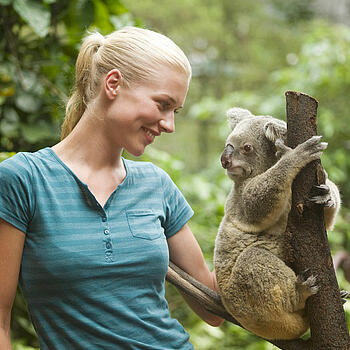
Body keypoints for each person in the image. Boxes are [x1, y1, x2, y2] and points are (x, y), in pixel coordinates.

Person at [0, 26, 223, 350]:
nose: (169, 125)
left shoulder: (156, 184)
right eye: (163, 104)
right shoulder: (23, 180)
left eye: (175, 111)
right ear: (113, 84)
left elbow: (212, 306)